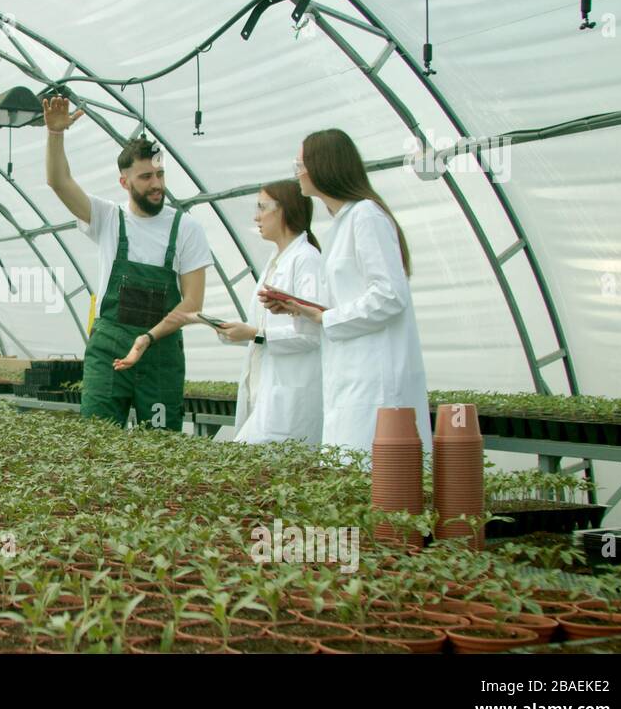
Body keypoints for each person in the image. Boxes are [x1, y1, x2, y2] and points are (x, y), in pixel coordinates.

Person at [43, 96, 212, 431]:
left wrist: (148, 338)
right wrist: (55, 134)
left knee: (162, 448)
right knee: (98, 443)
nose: (157, 184)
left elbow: (193, 303)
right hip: (109, 351)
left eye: (160, 174)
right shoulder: (108, 218)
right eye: (146, 176)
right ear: (125, 182)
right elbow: (59, 183)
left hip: (160, 353)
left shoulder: (186, 228)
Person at [262, 128, 430, 455]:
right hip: (350, 371)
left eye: (299, 164)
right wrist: (299, 308)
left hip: (375, 376)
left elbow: (390, 295)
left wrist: (326, 316)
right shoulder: (342, 223)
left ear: (323, 166)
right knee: (350, 470)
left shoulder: (366, 216)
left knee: (373, 473)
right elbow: (343, 302)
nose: (297, 173)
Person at [179, 180, 323, 445]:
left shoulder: (306, 260)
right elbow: (262, 329)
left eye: (262, 207)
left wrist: (256, 334)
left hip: (288, 397)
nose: (256, 216)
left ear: (284, 210)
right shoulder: (276, 260)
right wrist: (235, 331)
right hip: (265, 390)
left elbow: (312, 334)